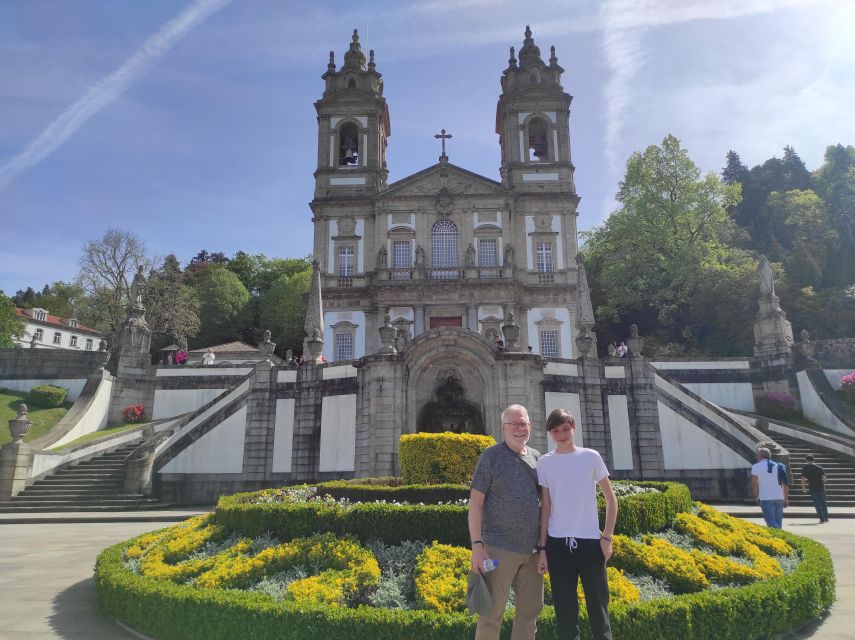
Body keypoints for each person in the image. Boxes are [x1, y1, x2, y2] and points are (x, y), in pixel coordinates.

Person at [537, 408, 617, 640]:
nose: (561, 435)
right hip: (558, 545)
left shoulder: (590, 457)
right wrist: (542, 549)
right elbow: (546, 509)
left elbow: (612, 501)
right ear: (550, 433)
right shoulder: (545, 462)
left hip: (591, 543)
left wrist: (607, 538)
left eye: (565, 429)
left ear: (573, 429)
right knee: (565, 613)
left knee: (599, 610)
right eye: (556, 430)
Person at [468, 404, 543, 640]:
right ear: (503, 428)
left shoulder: (537, 458)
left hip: (532, 552)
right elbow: (475, 504)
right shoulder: (491, 456)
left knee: (529, 616)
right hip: (498, 550)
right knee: (490, 616)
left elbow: (547, 505)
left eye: (524, 423)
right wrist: (477, 547)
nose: (520, 428)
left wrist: (543, 548)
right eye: (514, 424)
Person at [751, 447, 789, 528]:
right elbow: (785, 484)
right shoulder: (779, 466)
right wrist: (785, 498)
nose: (756, 457)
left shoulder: (755, 467)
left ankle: (779, 537)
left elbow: (754, 484)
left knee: (770, 522)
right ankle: (780, 539)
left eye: (757, 455)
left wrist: (757, 497)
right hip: (779, 497)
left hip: (765, 497)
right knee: (778, 521)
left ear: (760, 456)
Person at [801, 454, 829, 523]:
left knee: (817, 504)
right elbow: (825, 479)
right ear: (814, 459)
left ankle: (821, 519)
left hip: (812, 488)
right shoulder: (819, 468)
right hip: (821, 488)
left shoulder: (805, 468)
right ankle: (826, 518)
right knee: (823, 503)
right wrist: (822, 481)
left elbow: (803, 479)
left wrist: (804, 487)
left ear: (806, 460)